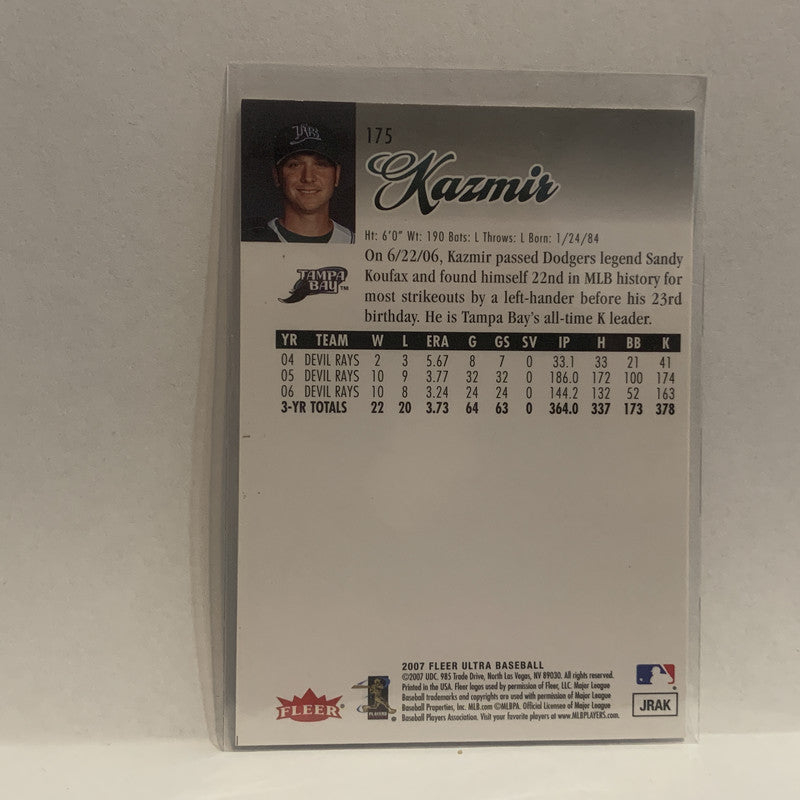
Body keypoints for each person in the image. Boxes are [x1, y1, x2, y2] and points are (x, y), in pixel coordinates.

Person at [254, 122, 354, 243]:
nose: (308, 178)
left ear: (337, 175)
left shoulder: (357, 244)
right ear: (276, 175)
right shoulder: (254, 241)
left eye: (321, 164)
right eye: (295, 165)